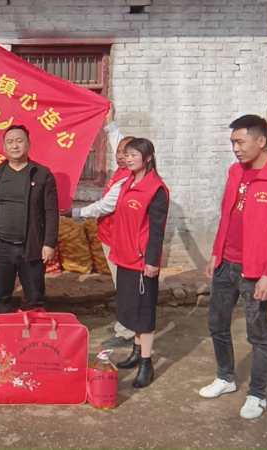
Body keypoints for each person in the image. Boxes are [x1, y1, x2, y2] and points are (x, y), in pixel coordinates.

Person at [198, 114, 267, 420]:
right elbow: (226, 216)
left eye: (240, 142)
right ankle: (225, 377)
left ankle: (257, 394)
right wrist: (215, 253)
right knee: (217, 324)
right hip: (225, 263)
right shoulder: (235, 172)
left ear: (261, 140)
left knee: (258, 335)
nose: (236, 148)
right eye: (233, 142)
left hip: (255, 270)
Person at [0, 125, 59, 312]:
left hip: (31, 246)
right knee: (1, 295)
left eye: (19, 141)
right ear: (4, 147)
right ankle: (2, 328)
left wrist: (49, 243)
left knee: (34, 297)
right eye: (10, 142)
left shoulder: (42, 174)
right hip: (1, 247)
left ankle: (33, 329)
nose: (15, 146)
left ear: (28, 144)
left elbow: (51, 212)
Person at [109, 137, 169, 389]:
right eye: (127, 154)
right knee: (130, 309)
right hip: (124, 257)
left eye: (134, 154)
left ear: (148, 158)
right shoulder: (127, 182)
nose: (128, 158)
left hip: (142, 262)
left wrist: (152, 261)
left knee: (144, 314)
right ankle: (136, 351)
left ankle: (146, 363)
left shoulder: (156, 190)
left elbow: (157, 231)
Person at [72, 118, 137, 348]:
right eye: (119, 152)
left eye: (127, 154)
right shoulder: (124, 169)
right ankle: (124, 325)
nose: (121, 156)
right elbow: (118, 140)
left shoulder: (128, 179)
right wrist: (110, 124)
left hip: (122, 241)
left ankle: (128, 331)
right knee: (121, 284)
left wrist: (75, 212)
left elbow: (105, 206)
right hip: (111, 235)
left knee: (125, 286)